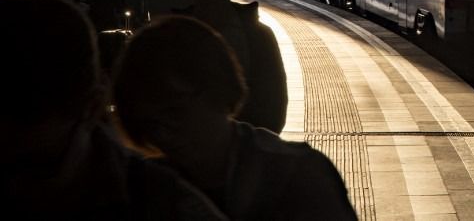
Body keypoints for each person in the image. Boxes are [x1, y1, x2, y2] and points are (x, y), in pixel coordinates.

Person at [0, 0, 226, 219]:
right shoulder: (165, 204)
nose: (15, 185)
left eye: (36, 165)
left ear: (93, 107)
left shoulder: (167, 207)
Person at [112, 16, 358, 220]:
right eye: (150, 124)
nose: (163, 135)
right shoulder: (141, 191)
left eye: (175, 112)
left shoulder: (299, 178)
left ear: (216, 88)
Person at [184, 0, 287, 133]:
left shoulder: (259, 36)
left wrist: (253, 142)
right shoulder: (173, 34)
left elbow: (274, 99)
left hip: (245, 148)